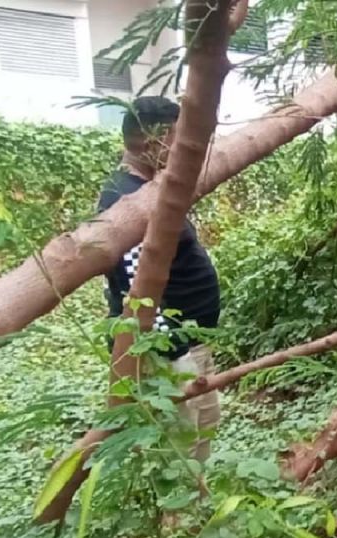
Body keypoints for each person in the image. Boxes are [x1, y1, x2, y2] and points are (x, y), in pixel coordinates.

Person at [100, 96, 221, 461]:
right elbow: (138, 289)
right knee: (177, 451)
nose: (182, 146)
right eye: (177, 136)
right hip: (170, 351)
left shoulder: (151, 189)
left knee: (201, 432)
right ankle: (179, 518)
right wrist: (172, 352)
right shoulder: (125, 200)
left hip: (190, 342)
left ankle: (195, 513)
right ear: (154, 139)